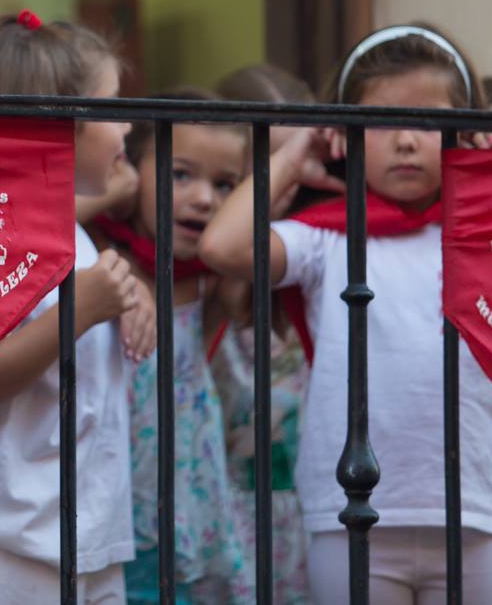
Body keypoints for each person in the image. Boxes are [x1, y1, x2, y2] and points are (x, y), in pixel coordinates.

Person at [199, 25, 492, 604]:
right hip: (350, 516)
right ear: (345, 135)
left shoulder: (486, 235)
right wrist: (294, 156)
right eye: (383, 121)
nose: (406, 142)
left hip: (470, 510)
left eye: (428, 122)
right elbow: (222, 246)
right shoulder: (328, 241)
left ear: (463, 129)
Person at [0, 11, 152, 604]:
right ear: (61, 125)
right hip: (8, 548)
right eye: (110, 108)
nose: (126, 126)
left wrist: (126, 292)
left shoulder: (67, 230)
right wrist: (81, 309)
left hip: (88, 539)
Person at [84, 88, 249, 603]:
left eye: (225, 184)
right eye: (181, 175)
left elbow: (253, 226)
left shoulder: (212, 281)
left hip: (183, 509)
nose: (204, 198)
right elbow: (43, 217)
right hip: (108, 505)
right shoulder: (95, 251)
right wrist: (119, 188)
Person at [195, 64, 318, 604]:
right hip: (221, 524)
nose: (286, 181)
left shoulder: (323, 254)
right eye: (265, 166)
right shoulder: (200, 286)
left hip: (315, 520)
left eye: (298, 161)